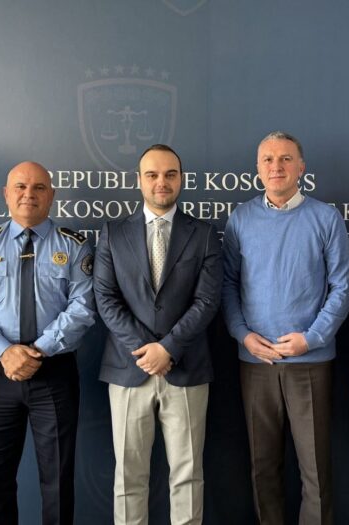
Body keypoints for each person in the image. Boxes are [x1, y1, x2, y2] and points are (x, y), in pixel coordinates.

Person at [0, 161, 95, 525]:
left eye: (38, 187)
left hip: (54, 372)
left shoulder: (74, 246)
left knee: (57, 479)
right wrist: (4, 351)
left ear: (51, 195)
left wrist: (39, 350)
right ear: (6, 193)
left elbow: (83, 306)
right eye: (20, 186)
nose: (29, 194)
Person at [222, 131, 349, 524]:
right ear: (257, 168)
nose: (276, 166)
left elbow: (342, 286)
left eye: (285, 159)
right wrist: (243, 335)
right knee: (263, 469)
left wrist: (312, 339)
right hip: (256, 362)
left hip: (309, 362)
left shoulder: (325, 218)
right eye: (268, 159)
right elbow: (227, 284)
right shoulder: (241, 219)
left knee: (315, 472)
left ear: (301, 167)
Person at [94, 144, 222, 524]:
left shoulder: (204, 234)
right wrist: (146, 349)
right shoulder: (113, 234)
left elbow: (207, 300)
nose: (161, 182)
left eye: (169, 174)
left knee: (187, 474)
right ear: (139, 180)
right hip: (128, 368)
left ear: (181, 179)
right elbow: (105, 298)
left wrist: (168, 348)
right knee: (129, 476)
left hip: (187, 368)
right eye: (152, 175)